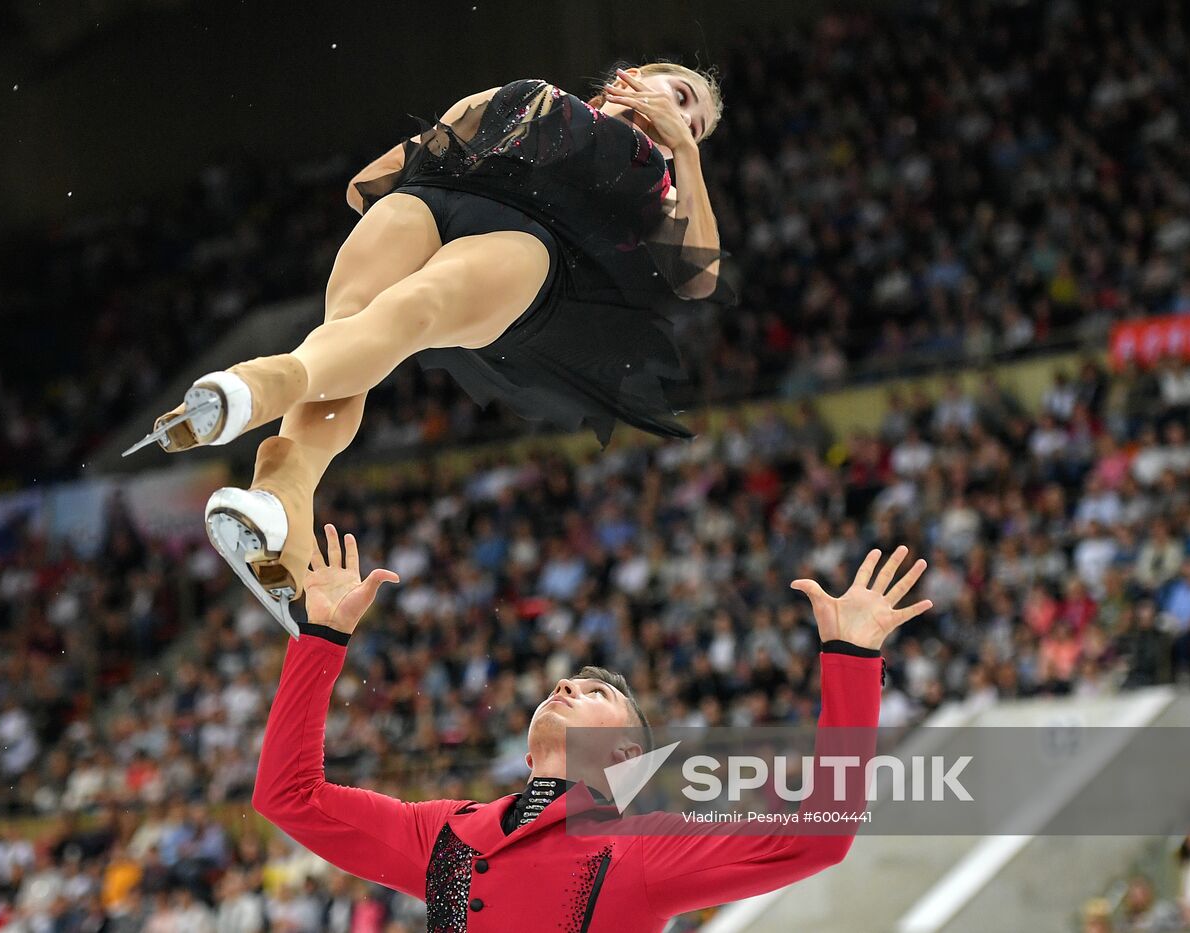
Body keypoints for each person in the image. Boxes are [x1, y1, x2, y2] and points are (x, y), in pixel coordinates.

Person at [123, 64, 735, 630]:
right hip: (430, 201)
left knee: (406, 314)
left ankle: (257, 387)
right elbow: (391, 167)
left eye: (697, 122)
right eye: (679, 93)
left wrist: (683, 150)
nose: (683, 114)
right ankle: (281, 499)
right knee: (349, 338)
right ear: (631, 77)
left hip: (530, 243)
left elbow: (696, 276)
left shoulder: (661, 181)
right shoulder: (537, 94)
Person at [250, 527, 930, 929]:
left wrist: (851, 660)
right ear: (525, 748)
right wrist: (320, 638)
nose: (566, 684)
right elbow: (288, 796)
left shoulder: (641, 848)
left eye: (596, 691)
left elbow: (818, 836)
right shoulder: (445, 835)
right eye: (562, 684)